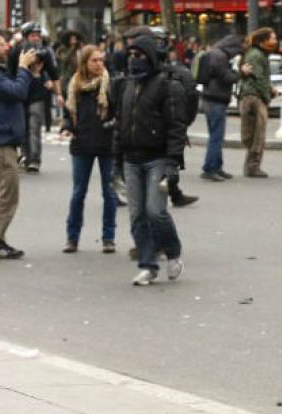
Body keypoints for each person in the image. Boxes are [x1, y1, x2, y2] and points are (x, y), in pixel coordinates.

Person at [114, 34, 187, 286]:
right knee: (137, 216)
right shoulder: (126, 86)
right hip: (131, 159)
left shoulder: (166, 85)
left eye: (140, 55)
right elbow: (120, 125)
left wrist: (172, 163)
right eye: (131, 55)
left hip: (157, 158)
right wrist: (117, 162)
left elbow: (176, 127)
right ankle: (147, 265)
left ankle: (173, 251)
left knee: (155, 211)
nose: (134, 60)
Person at [0, 30, 36, 259]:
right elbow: (18, 91)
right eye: (2, 44)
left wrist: (30, 73)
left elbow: (21, 92)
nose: (7, 48)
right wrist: (23, 68)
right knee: (7, 194)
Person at [60, 45, 117, 254]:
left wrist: (112, 126)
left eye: (101, 60)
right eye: (94, 61)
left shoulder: (110, 84)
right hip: (81, 143)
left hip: (106, 143)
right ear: (84, 63)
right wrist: (68, 126)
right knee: (78, 193)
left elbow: (117, 112)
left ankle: (108, 237)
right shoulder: (74, 84)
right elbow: (68, 111)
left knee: (109, 193)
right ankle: (72, 237)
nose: (99, 64)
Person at [7, 22, 61, 174]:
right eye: (32, 35)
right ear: (25, 37)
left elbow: (54, 73)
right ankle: (25, 155)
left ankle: (35, 160)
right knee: (22, 128)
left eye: (38, 35)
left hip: (38, 95)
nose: (36, 38)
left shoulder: (45, 52)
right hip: (20, 95)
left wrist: (59, 95)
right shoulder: (16, 51)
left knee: (34, 127)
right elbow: (9, 72)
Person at [199, 34, 245, 181]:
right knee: (216, 136)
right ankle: (210, 168)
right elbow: (227, 78)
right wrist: (241, 73)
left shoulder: (213, 53)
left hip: (209, 97)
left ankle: (217, 166)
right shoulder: (219, 56)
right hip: (216, 99)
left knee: (215, 135)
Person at [239, 27, 277, 178]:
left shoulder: (258, 54)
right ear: (263, 40)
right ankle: (253, 167)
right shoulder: (256, 55)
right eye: (272, 38)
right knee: (258, 134)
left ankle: (251, 166)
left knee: (254, 133)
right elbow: (258, 78)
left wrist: (269, 89)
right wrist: (267, 94)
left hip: (252, 96)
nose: (275, 41)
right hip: (254, 97)